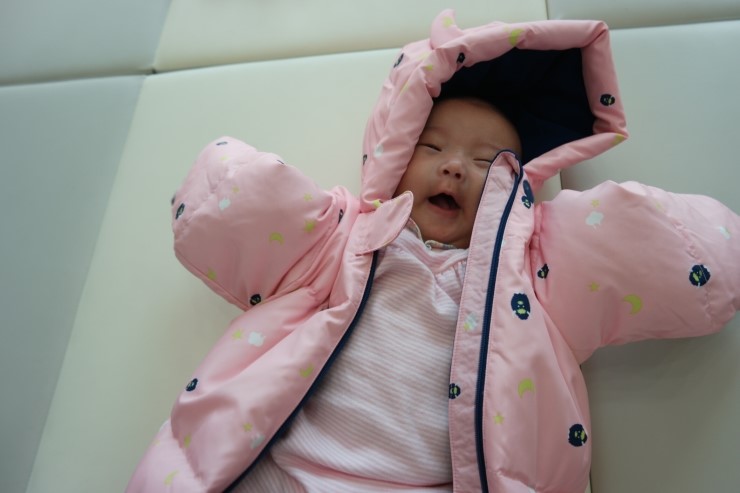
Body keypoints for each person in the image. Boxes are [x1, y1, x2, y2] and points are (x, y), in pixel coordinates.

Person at [127, 10, 740, 493]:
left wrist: (695, 243)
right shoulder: (338, 237)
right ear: (393, 155)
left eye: (486, 162)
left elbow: (645, 250)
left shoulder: (531, 276)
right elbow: (240, 210)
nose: (454, 168)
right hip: (277, 467)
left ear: (515, 188)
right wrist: (229, 181)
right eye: (432, 147)